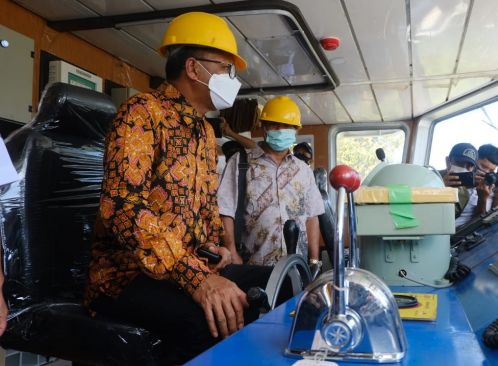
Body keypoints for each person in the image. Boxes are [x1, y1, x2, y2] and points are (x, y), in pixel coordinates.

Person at [83, 12, 278, 364]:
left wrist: (215, 246)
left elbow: (203, 207)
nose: (230, 80)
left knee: (279, 287)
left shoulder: (204, 132)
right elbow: (122, 207)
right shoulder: (142, 113)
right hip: (126, 274)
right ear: (193, 68)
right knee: (211, 321)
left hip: (187, 265)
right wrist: (196, 279)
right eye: (224, 69)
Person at [218, 96, 325, 269]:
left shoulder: (304, 170)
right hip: (252, 265)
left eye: (287, 126)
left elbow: (312, 217)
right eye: (275, 124)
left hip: (297, 266)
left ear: (296, 130)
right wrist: (232, 251)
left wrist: (313, 261)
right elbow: (225, 210)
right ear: (264, 127)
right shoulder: (241, 163)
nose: (281, 130)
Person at [441, 143, 479, 227]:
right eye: (459, 163)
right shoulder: (431, 177)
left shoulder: (475, 190)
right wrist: (440, 187)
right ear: (448, 161)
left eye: (469, 166)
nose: (464, 168)